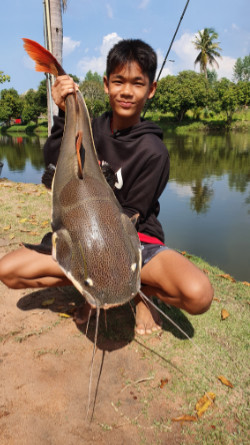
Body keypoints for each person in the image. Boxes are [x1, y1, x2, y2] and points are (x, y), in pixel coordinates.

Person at [0, 39, 213, 335]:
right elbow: (54, 168)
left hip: (134, 239)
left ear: (151, 89)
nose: (126, 91)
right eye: (118, 81)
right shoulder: (90, 128)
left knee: (198, 294)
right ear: (105, 84)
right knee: (8, 271)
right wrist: (64, 113)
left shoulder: (154, 152)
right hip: (81, 231)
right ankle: (92, 288)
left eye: (138, 83)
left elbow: (130, 215)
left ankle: (141, 296)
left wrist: (107, 271)